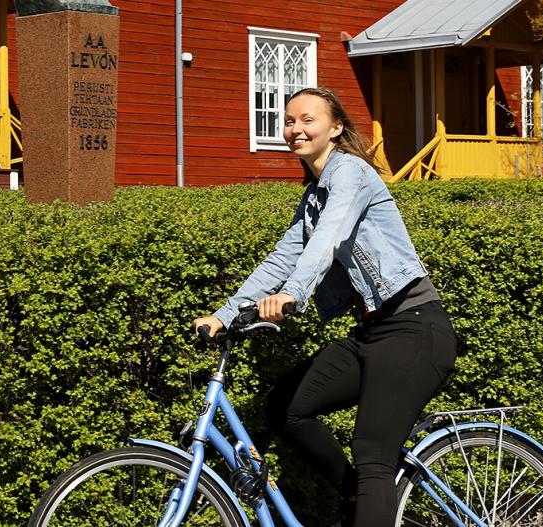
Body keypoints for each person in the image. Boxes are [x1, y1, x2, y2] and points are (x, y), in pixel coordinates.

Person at [192, 87, 456, 527]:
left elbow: (327, 240)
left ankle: (367, 490)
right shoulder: (314, 194)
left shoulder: (351, 173)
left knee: (373, 453)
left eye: (307, 119)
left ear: (335, 128)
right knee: (286, 407)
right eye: (289, 120)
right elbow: (282, 256)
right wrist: (224, 315)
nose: (295, 128)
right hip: (372, 331)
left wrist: (295, 292)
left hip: (414, 327)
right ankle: (356, 495)